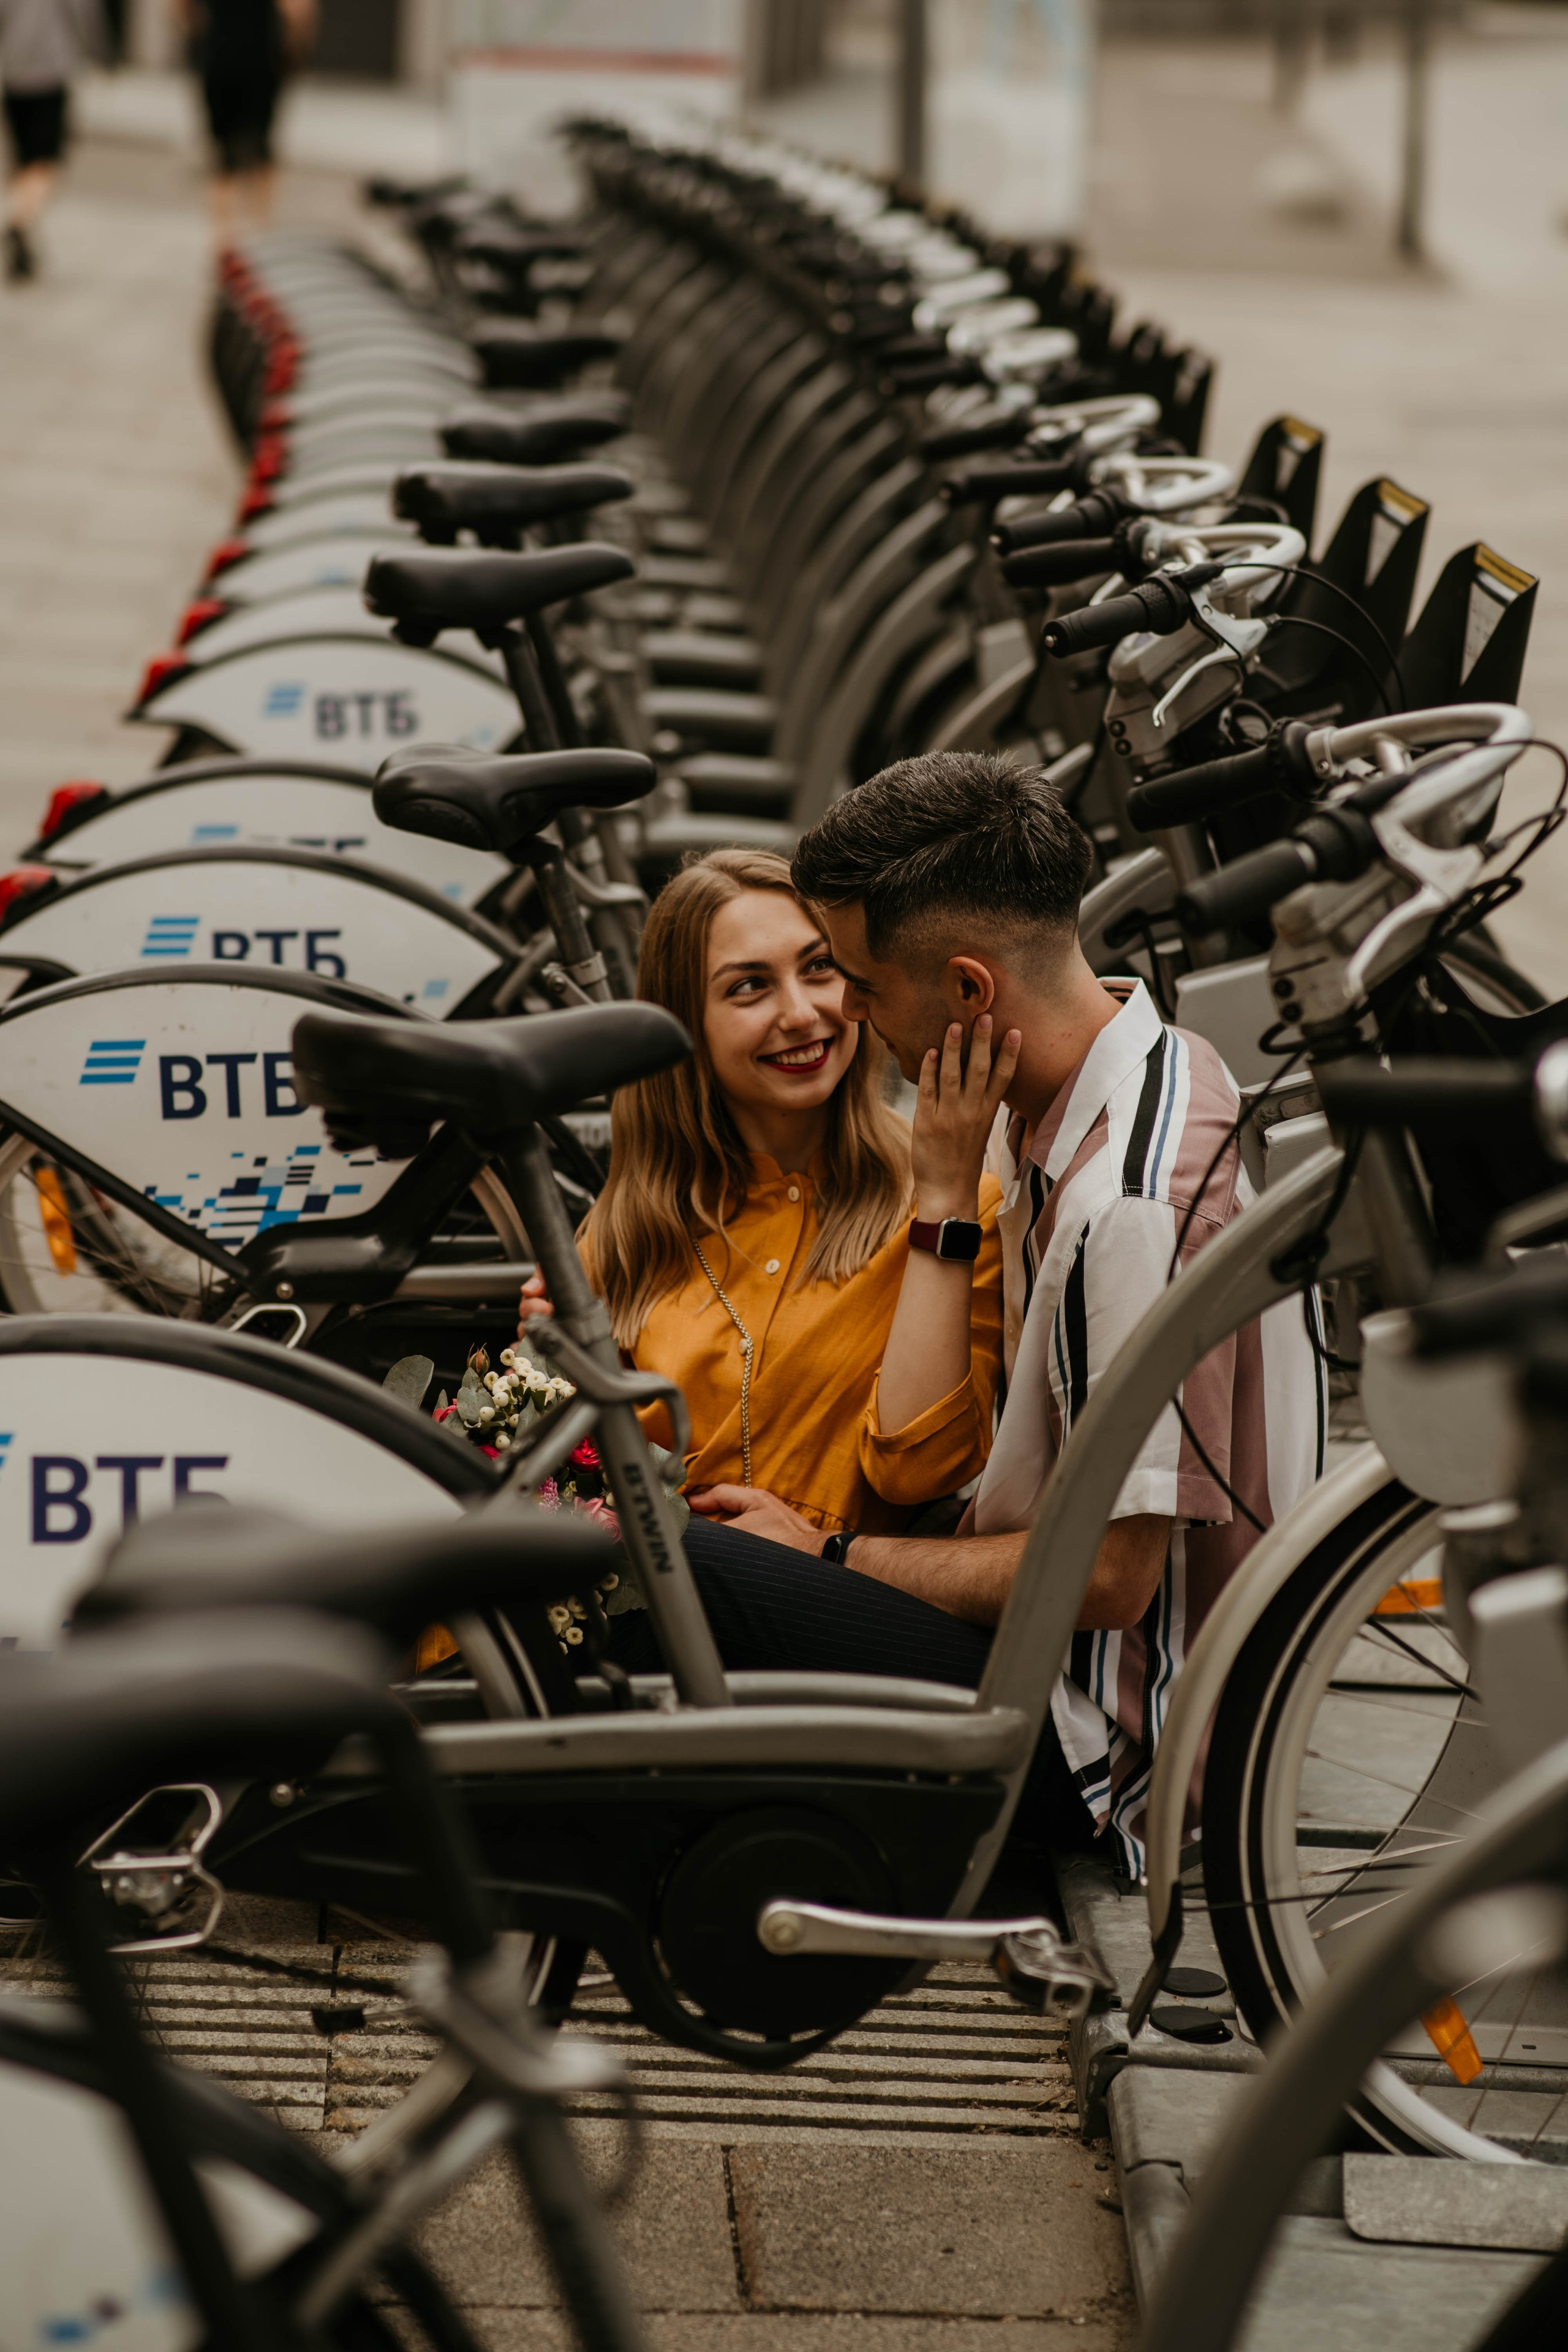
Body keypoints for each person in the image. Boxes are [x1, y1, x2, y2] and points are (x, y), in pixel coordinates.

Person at [605, 756, 1324, 1878]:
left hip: (1099, 1743)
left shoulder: (1122, 1208)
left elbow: (1110, 1582)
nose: (840, 1012)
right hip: (1049, 1657)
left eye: (859, 981)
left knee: (676, 1565)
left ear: (970, 992)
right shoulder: (1118, 1076)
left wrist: (833, 1554)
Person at [518, 846, 1011, 1541]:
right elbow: (582, 1488)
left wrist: (943, 1212)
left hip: (837, 1620)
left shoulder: (949, 1203)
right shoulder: (629, 1224)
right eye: (749, 987)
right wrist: (553, 1368)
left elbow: (919, 1470)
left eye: (818, 969)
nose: (803, 1013)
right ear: (684, 1025)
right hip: (655, 1612)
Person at [176, 0, 314, 244]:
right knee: (262, 147)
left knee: (222, 152)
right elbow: (297, 10)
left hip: (218, 52)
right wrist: (297, 44)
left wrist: (196, 35)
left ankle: (223, 240)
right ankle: (262, 231)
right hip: (262, 54)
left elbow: (179, 8)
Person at [0, 0, 104, 282]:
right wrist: (101, 55)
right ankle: (20, 222)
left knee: (23, 160)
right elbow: (85, 16)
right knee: (46, 161)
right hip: (51, 74)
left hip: (13, 74)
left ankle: (23, 225)